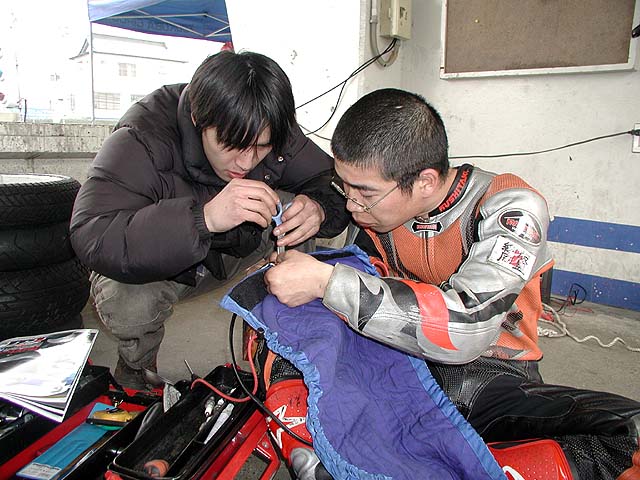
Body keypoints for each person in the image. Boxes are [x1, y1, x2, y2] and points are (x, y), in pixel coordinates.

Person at [264, 88, 640, 480]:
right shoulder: (373, 213)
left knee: (631, 432)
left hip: (488, 376)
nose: (351, 204)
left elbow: (466, 329)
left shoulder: (511, 206)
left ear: (425, 181)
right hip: (392, 361)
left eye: (365, 193)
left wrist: (327, 281)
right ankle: (324, 449)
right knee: (279, 314)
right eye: (345, 186)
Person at [69, 51, 350, 390]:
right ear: (198, 118)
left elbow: (337, 181)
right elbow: (92, 232)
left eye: (261, 147)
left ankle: (278, 349)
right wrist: (202, 219)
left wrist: (319, 207)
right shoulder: (142, 138)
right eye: (232, 144)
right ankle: (137, 367)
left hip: (235, 248)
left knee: (295, 214)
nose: (246, 162)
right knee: (127, 299)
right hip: (166, 263)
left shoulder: (268, 125)